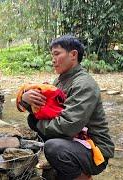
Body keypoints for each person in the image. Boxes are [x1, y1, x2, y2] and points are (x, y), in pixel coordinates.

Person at [20, 35, 114, 180]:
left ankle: (83, 177)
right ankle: (61, 168)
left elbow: (67, 127)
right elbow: (43, 109)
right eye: (52, 55)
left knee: (53, 147)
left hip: (95, 149)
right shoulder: (59, 80)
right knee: (31, 119)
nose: (53, 60)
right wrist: (25, 99)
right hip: (74, 139)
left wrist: (39, 123)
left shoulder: (84, 84)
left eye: (57, 54)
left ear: (73, 55)